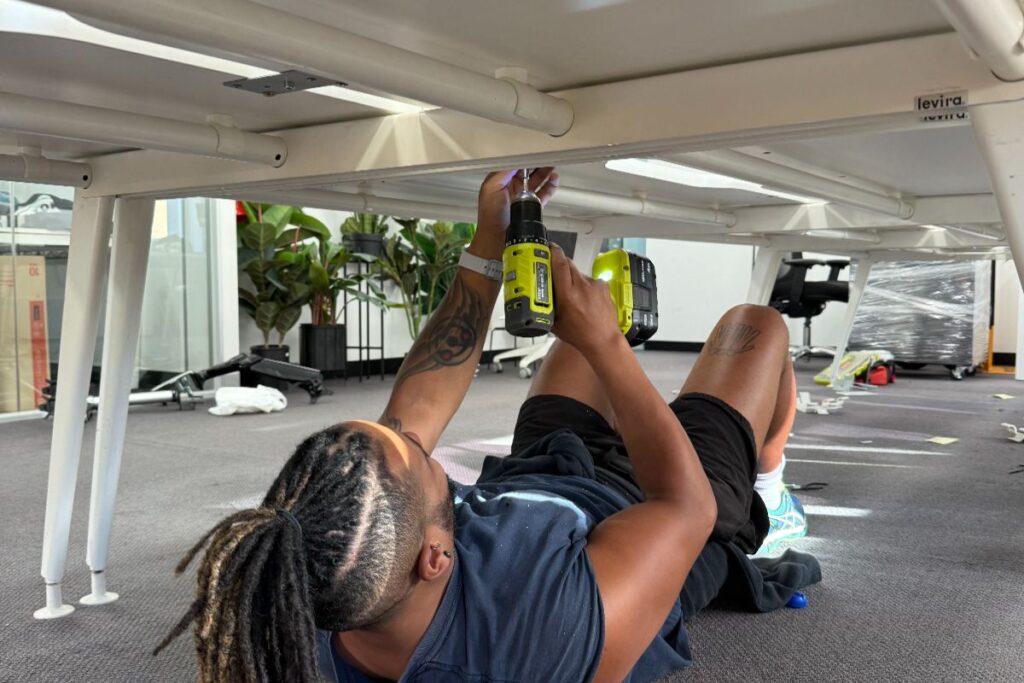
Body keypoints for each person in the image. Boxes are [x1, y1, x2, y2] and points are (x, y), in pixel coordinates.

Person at [155, 169, 820, 682]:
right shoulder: (541, 638)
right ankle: (772, 485)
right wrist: (608, 348)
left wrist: (488, 243)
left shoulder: (327, 568)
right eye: (420, 456)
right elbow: (685, 504)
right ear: (437, 556)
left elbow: (419, 398)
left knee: (578, 321)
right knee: (753, 326)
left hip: (546, 470)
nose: (417, 434)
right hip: (650, 510)